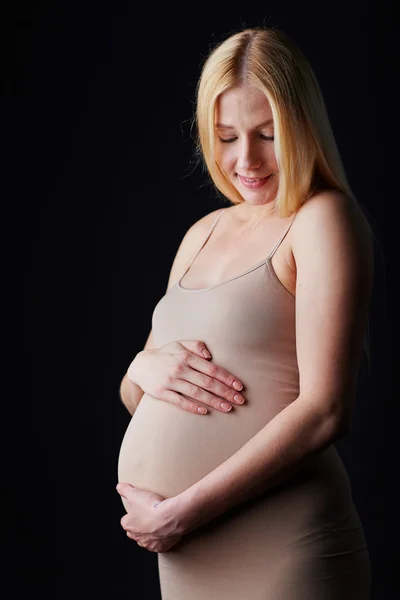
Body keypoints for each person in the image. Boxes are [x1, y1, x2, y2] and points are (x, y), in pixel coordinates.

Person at [116, 26, 374, 599]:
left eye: (267, 133)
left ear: (303, 126)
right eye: (227, 136)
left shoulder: (322, 220)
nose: (245, 159)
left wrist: (183, 512)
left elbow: (327, 410)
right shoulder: (200, 234)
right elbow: (144, 399)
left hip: (283, 547)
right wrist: (141, 368)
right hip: (186, 556)